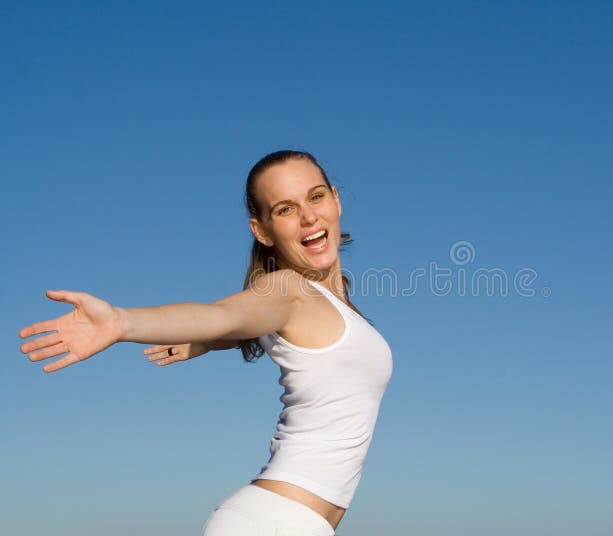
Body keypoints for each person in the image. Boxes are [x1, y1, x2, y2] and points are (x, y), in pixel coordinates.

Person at [18, 150, 393, 536]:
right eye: (285, 209)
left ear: (335, 199)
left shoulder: (327, 305)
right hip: (274, 522)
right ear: (262, 231)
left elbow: (248, 330)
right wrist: (122, 321)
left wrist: (212, 342)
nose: (309, 216)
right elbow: (223, 314)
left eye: (315, 197)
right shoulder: (288, 289)